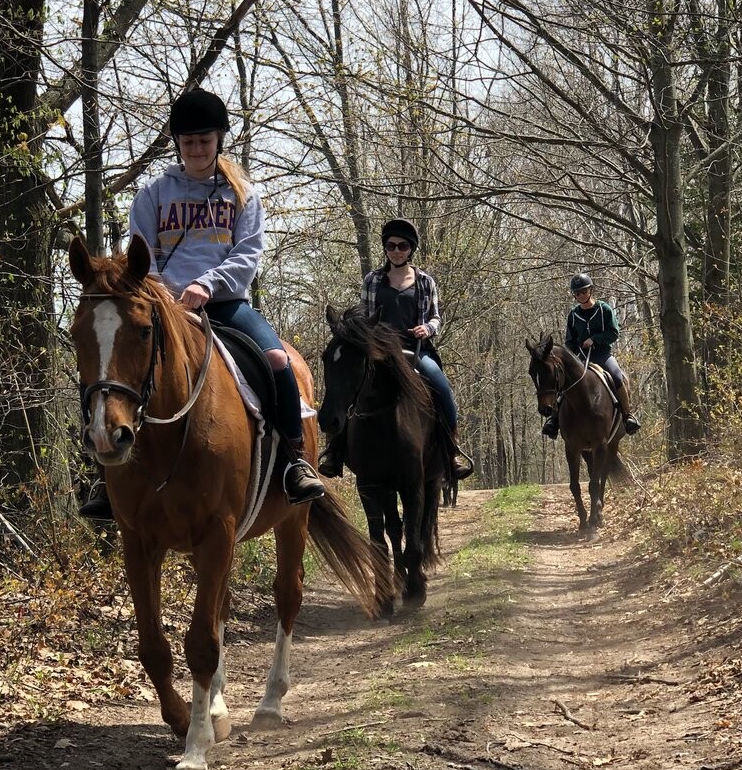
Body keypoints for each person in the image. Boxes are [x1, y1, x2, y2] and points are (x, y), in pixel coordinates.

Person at [78, 88, 325, 520]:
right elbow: (142, 255)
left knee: (277, 361)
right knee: (113, 368)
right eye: (188, 141)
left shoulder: (243, 195)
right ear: (178, 144)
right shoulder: (152, 194)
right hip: (163, 306)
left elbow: (247, 255)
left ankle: (294, 461)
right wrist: (164, 293)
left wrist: (206, 287)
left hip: (224, 304)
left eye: (204, 141)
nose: (196, 149)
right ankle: (104, 477)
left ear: (219, 141)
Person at [318, 218, 474, 482]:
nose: (396, 251)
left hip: (415, 351)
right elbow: (366, 318)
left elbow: (436, 317)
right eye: (390, 246)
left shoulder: (425, 281)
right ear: (385, 249)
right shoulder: (373, 280)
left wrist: (428, 328)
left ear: (410, 249)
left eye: (402, 246)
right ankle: (335, 449)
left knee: (442, 387)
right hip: (379, 354)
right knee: (347, 385)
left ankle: (451, 450)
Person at [541, 272, 641, 439]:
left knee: (617, 376)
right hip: (579, 357)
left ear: (591, 290)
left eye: (584, 291)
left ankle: (627, 415)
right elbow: (570, 341)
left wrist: (594, 339)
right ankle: (554, 420)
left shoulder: (604, 309)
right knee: (562, 380)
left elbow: (613, 333)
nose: (581, 295)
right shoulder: (573, 315)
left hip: (602, 355)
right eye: (577, 293)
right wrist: (570, 356)